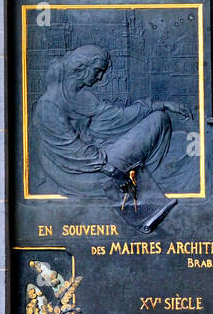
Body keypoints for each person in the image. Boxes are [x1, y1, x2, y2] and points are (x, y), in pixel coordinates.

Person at [32, 45, 190, 229]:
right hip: (79, 173)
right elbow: (75, 151)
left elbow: (119, 118)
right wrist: (114, 172)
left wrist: (160, 104)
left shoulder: (83, 97)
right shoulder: (49, 106)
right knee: (158, 123)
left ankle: (145, 186)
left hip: (95, 157)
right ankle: (142, 197)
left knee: (158, 118)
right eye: (98, 71)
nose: (100, 78)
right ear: (82, 68)